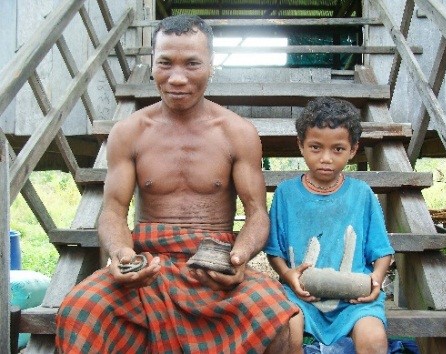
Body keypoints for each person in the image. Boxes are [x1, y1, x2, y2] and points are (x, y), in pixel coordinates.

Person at [56, 14, 299, 353]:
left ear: (212, 65)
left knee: (275, 316)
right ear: (152, 64)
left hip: (212, 265)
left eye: (192, 64)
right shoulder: (129, 133)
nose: (178, 78)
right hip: (148, 263)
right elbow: (112, 210)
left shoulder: (237, 133)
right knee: (80, 310)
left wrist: (240, 257)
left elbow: (258, 214)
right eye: (165, 63)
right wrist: (122, 254)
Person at [264, 97, 394, 354]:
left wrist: (375, 281)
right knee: (284, 333)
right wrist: (289, 275)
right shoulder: (286, 194)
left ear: (353, 150)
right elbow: (274, 251)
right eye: (315, 147)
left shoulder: (361, 194)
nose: (326, 158)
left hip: (353, 299)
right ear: (300, 145)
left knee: (374, 340)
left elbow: (382, 252)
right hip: (300, 294)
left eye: (338, 149)